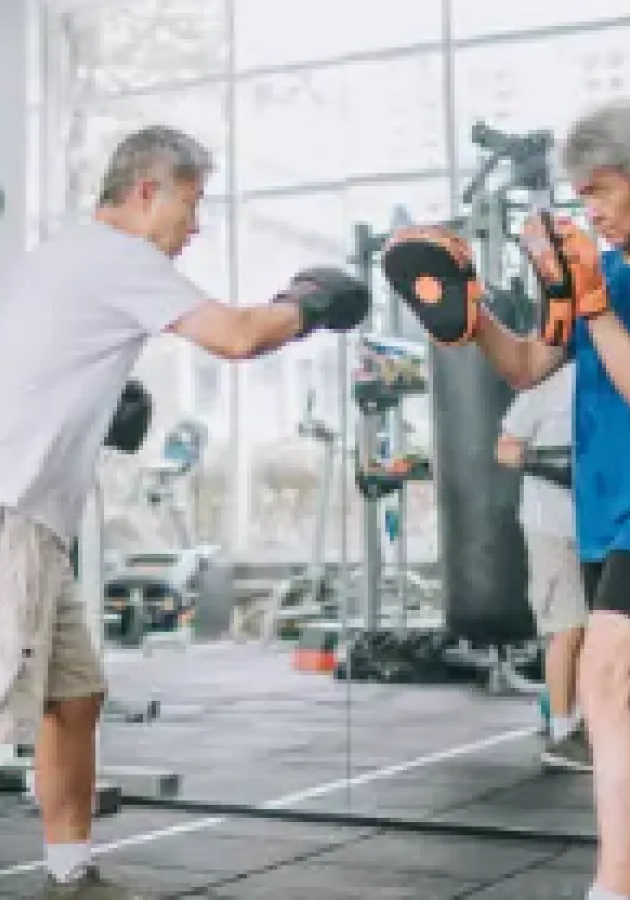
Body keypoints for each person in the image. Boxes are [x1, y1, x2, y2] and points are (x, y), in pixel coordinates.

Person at [0, 125, 371, 900]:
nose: (194, 227)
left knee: (75, 698)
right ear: (147, 191)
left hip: (26, 518)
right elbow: (234, 337)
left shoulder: (62, 258)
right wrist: (307, 303)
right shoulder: (119, 257)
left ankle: (71, 873)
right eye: (190, 205)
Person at [383, 98, 630, 900]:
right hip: (601, 515)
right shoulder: (611, 272)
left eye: (600, 191)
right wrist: (469, 315)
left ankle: (613, 883)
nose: (589, 211)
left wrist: (592, 302)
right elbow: (529, 364)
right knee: (612, 689)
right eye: (581, 196)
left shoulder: (606, 283)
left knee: (606, 679)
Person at [495, 361, 591, 772]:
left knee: (602, 633)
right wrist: (556, 466)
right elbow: (505, 449)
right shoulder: (548, 384)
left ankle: (593, 726)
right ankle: (562, 733)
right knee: (567, 630)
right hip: (552, 528)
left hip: (603, 527)